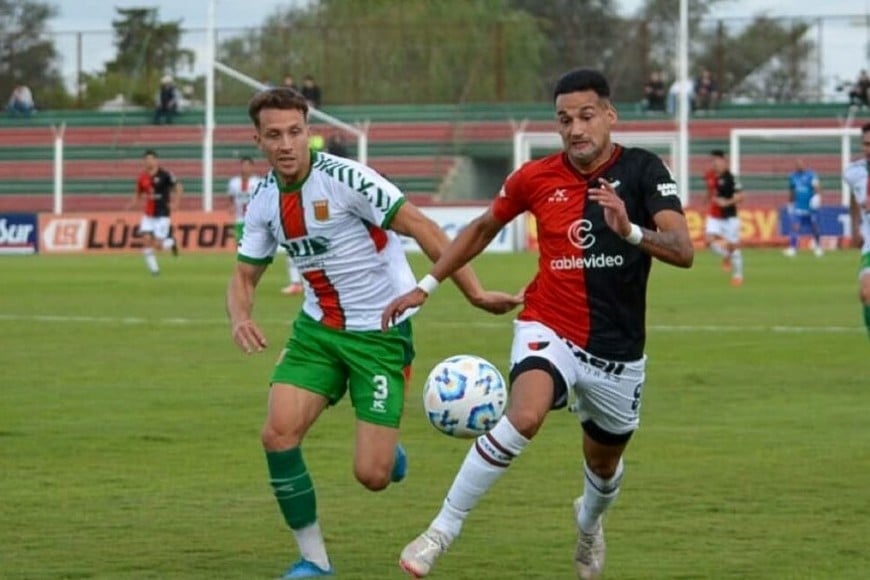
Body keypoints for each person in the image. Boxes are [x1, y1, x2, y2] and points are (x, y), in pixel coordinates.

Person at [381, 68, 694, 580]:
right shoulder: (534, 177)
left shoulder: (642, 170)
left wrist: (631, 230)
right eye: (565, 119)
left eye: (587, 116)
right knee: (524, 415)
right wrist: (426, 286)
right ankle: (441, 529)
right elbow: (483, 227)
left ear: (609, 116)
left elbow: (683, 250)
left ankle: (589, 525)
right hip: (549, 326)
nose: (576, 129)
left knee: (603, 467)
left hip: (618, 352)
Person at [224, 87, 520, 579]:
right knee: (277, 435)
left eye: (295, 132)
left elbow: (422, 226)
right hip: (316, 332)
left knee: (373, 476)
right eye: (273, 135)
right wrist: (240, 316)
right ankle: (314, 563)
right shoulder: (263, 201)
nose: (285, 144)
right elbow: (243, 277)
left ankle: (387, 451)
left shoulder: (345, 178)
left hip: (381, 333)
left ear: (308, 132)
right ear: (258, 140)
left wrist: (474, 291)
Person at [126, 149, 181, 275]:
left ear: (156, 160)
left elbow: (178, 187)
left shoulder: (165, 175)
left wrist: (176, 203)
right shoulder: (142, 177)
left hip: (162, 214)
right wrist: (131, 204)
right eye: (146, 159)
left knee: (158, 245)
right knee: (146, 241)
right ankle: (154, 271)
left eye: (151, 159)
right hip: (148, 214)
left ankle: (171, 242)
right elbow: (138, 194)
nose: (148, 161)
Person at [843, 121, 870, 339]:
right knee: (866, 293)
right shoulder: (854, 172)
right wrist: (854, 227)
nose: (868, 148)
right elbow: (854, 196)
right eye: (866, 144)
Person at [705, 149, 745, 286]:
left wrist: (726, 202)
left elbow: (741, 196)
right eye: (713, 161)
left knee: (734, 247)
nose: (714, 163)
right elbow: (710, 191)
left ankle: (738, 275)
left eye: (717, 160)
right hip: (714, 216)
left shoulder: (731, 178)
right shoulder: (709, 175)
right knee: (709, 241)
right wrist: (707, 200)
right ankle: (726, 255)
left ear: (723, 161)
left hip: (729, 217)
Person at [784, 159, 823, 257]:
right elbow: (792, 191)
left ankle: (818, 247)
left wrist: (817, 197)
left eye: (801, 164)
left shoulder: (811, 175)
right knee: (795, 226)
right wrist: (790, 203)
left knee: (814, 227)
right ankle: (793, 248)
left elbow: (817, 187)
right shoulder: (793, 177)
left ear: (804, 165)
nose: (799, 166)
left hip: (810, 207)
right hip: (798, 206)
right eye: (797, 164)